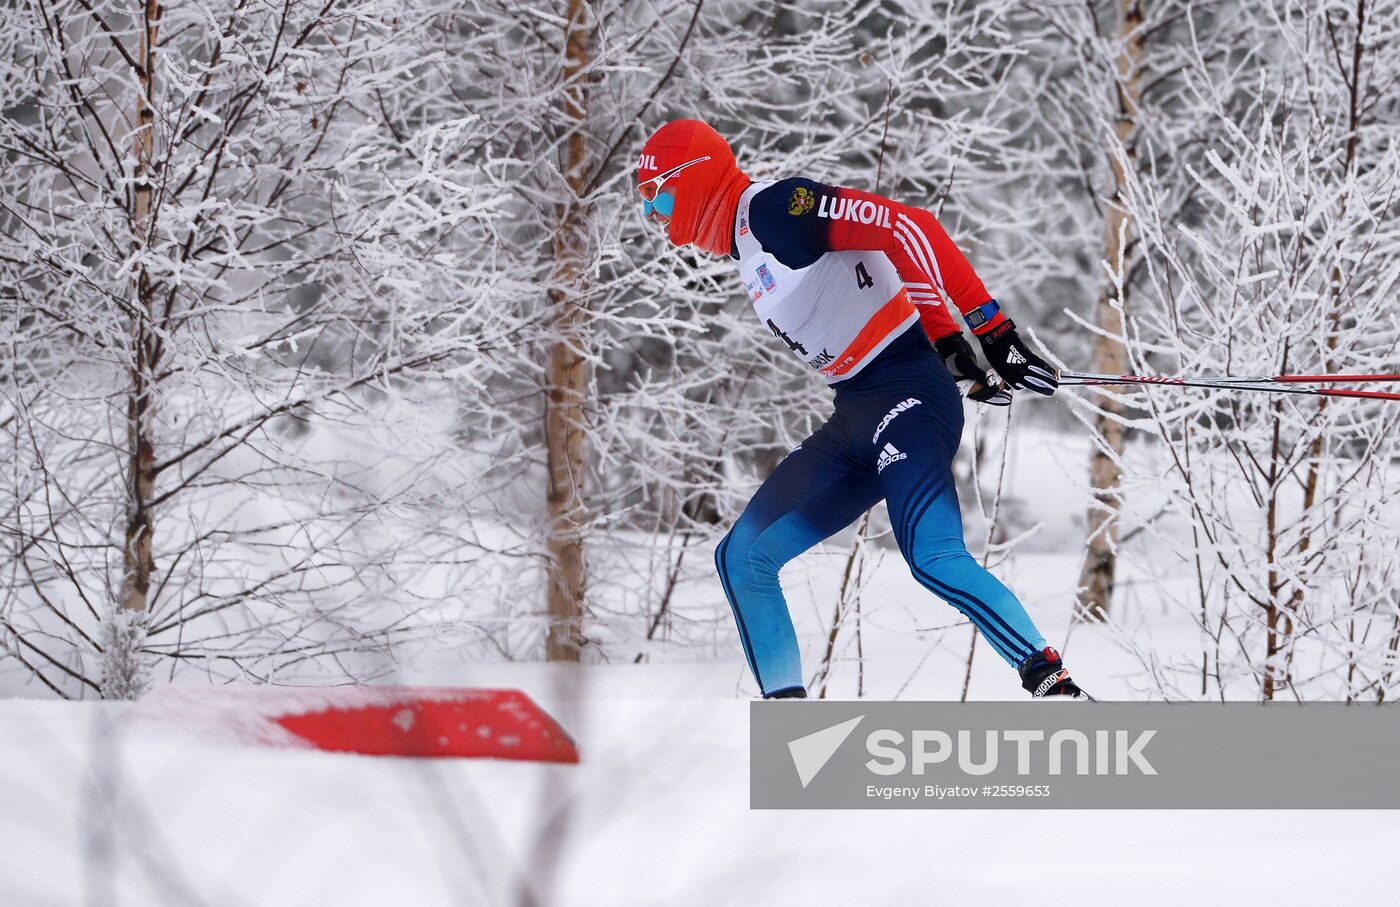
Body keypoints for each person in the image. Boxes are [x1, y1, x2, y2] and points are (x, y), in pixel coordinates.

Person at [636, 118, 1089, 700]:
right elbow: (880, 258)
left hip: (909, 397)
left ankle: (1057, 691)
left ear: (692, 178)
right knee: (742, 556)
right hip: (857, 412)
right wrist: (948, 339)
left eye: (659, 199)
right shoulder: (749, 244)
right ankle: (792, 734)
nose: (661, 223)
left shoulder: (776, 211)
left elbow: (906, 226)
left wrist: (990, 329)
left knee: (932, 557)